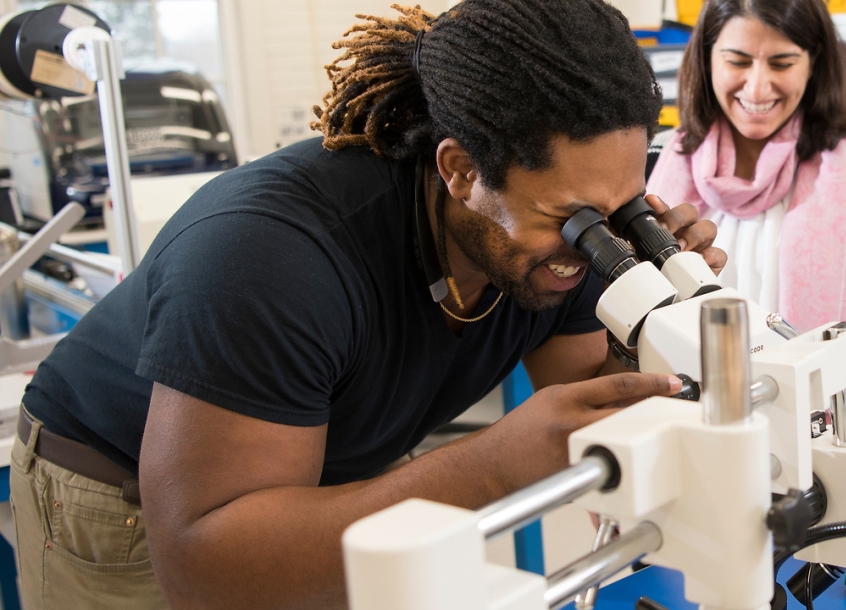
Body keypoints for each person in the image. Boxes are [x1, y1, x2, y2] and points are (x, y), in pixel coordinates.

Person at [9, 2, 725, 608]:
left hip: (321, 465)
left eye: (615, 210)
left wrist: (650, 330)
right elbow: (203, 562)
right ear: (459, 170)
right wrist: (492, 465)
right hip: (129, 501)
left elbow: (580, 395)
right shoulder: (272, 254)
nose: (589, 241)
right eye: (570, 217)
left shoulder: (554, 254)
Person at [646, 0, 846, 476]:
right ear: (706, 59)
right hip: (682, 445)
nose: (757, 86)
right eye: (737, 61)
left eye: (782, 62)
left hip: (821, 453)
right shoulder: (654, 161)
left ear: (814, 62)